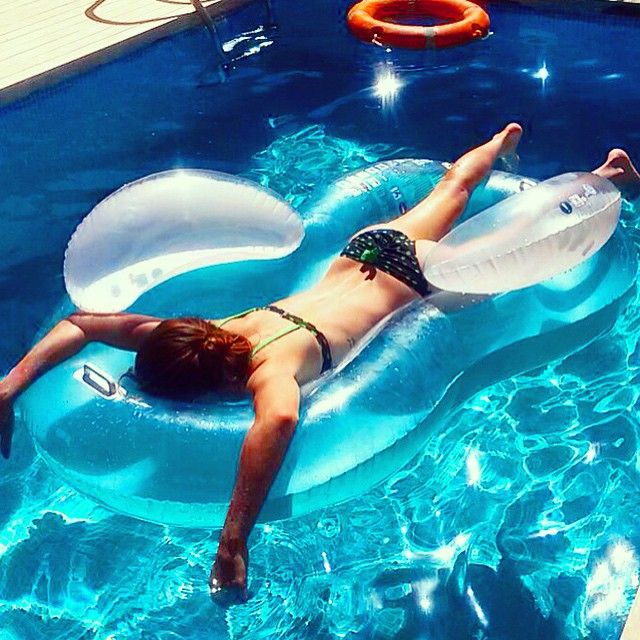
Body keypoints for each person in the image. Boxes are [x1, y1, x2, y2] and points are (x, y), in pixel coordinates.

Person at [0, 125, 638, 602]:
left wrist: (233, 540)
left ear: (199, 387)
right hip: (369, 249)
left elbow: (276, 425)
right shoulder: (219, 330)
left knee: (513, 245)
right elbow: (85, 324)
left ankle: (607, 180)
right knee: (455, 186)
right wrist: (6, 387)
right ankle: (506, 144)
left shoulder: (270, 374)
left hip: (417, 279)